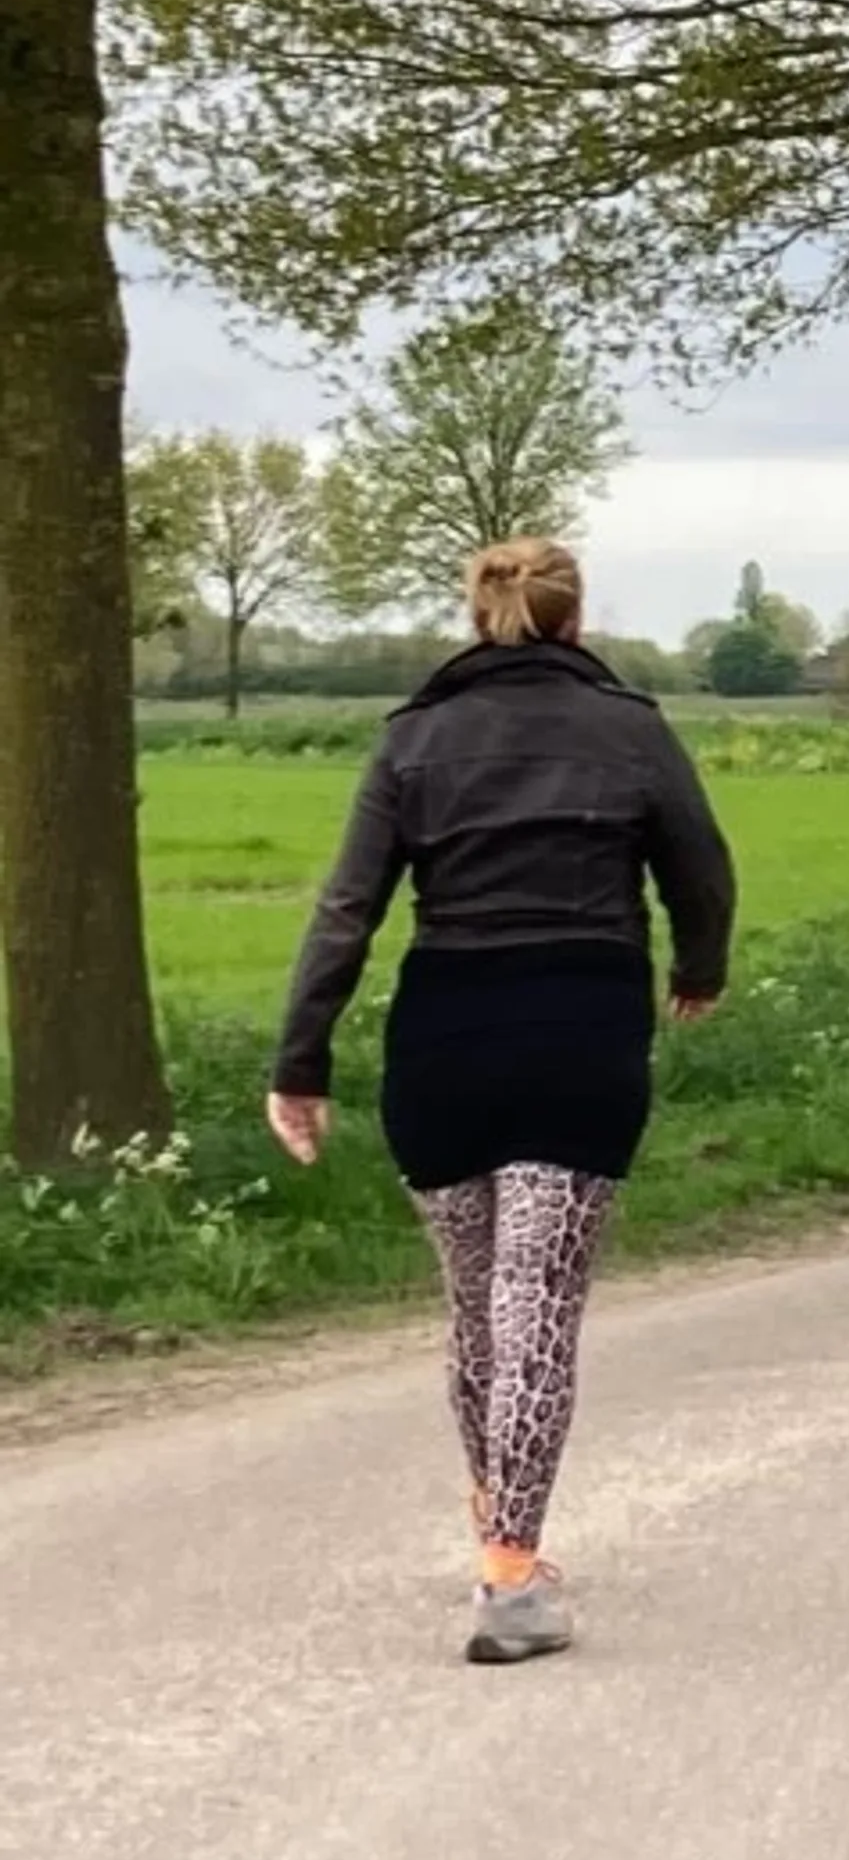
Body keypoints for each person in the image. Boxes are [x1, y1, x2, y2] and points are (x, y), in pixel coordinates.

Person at [266, 538, 734, 1668]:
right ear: (575, 621)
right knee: (537, 1310)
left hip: (444, 1039)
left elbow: (346, 910)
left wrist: (301, 1061)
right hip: (580, 1032)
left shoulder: (413, 738)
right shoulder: (632, 728)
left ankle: (502, 1535)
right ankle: (513, 1574)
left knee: (479, 1309)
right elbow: (701, 867)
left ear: (482, 620)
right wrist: (698, 967)